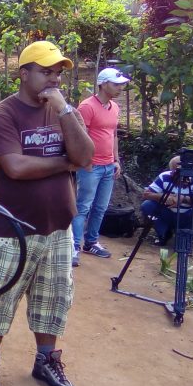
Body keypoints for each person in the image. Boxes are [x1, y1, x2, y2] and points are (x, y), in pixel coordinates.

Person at [0, 41, 94, 386]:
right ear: (23, 72)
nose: (54, 78)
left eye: (58, 72)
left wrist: (64, 110)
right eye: (45, 71)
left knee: (53, 299)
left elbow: (86, 156)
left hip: (59, 228)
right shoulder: (2, 115)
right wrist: (64, 164)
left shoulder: (62, 112)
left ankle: (45, 361)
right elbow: (16, 166)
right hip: (15, 229)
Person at [71, 68, 130, 266]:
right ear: (103, 84)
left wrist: (116, 159)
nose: (120, 88)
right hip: (91, 166)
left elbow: (113, 135)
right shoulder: (87, 107)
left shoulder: (113, 107)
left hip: (107, 165)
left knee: (100, 207)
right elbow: (80, 136)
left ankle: (91, 242)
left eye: (121, 84)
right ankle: (74, 246)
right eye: (116, 84)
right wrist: (85, 160)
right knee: (83, 206)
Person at [141, 155, 193, 246]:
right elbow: (146, 195)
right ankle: (163, 233)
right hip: (168, 213)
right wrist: (165, 197)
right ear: (171, 171)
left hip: (187, 215)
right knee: (147, 205)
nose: (182, 176)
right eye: (177, 172)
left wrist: (183, 199)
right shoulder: (164, 177)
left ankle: (186, 238)